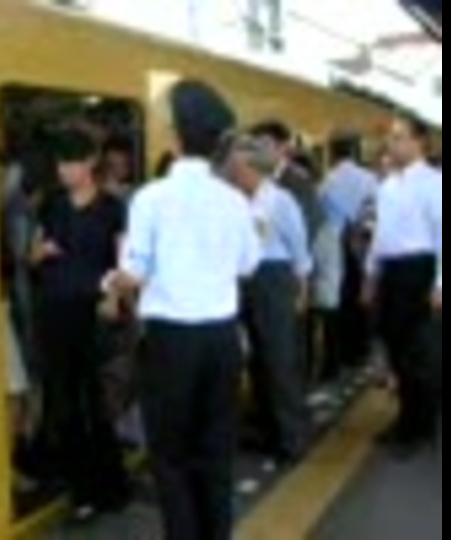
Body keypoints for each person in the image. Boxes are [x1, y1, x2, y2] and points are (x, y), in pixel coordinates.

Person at [104, 80, 262, 540]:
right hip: (222, 341)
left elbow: (134, 271)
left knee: (171, 457)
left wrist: (110, 282)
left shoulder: (150, 198)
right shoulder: (235, 201)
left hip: (171, 344)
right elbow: (248, 264)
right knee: (215, 453)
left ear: (175, 136)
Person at [31, 127, 131, 520]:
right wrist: (40, 252)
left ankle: (112, 487)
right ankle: (83, 491)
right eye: (60, 163)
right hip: (54, 309)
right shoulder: (52, 204)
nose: (63, 170)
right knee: (64, 403)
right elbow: (32, 255)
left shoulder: (111, 207)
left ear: (90, 162)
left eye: (71, 162)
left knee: (96, 402)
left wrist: (113, 298)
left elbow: (123, 260)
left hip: (93, 313)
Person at [221, 131, 314, 464]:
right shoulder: (234, 200)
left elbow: (299, 247)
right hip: (242, 280)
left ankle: (293, 438)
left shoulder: (279, 200)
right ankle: (267, 430)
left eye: (237, 169)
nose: (232, 174)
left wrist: (302, 287)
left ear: (252, 169)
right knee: (256, 360)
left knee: (279, 359)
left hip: (274, 277)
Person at [364, 116, 442, 455]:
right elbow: (380, 235)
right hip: (392, 273)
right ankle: (405, 419)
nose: (390, 144)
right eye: (390, 137)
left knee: (419, 356)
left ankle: (420, 429)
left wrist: (440, 284)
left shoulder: (434, 184)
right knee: (396, 350)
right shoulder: (387, 186)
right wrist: (371, 275)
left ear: (419, 142)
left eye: (398, 137)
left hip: (420, 271)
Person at [320, 134, 379, 379]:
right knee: (362, 295)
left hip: (336, 244)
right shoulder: (369, 178)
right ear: (354, 153)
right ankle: (361, 349)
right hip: (364, 243)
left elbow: (322, 214)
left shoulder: (328, 180)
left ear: (332, 154)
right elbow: (376, 212)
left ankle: (343, 352)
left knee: (342, 298)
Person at [251, 121, 326, 243]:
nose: (259, 152)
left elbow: (308, 225)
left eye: (265, 145)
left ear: (283, 147)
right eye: (255, 147)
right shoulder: (259, 179)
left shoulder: (298, 180)